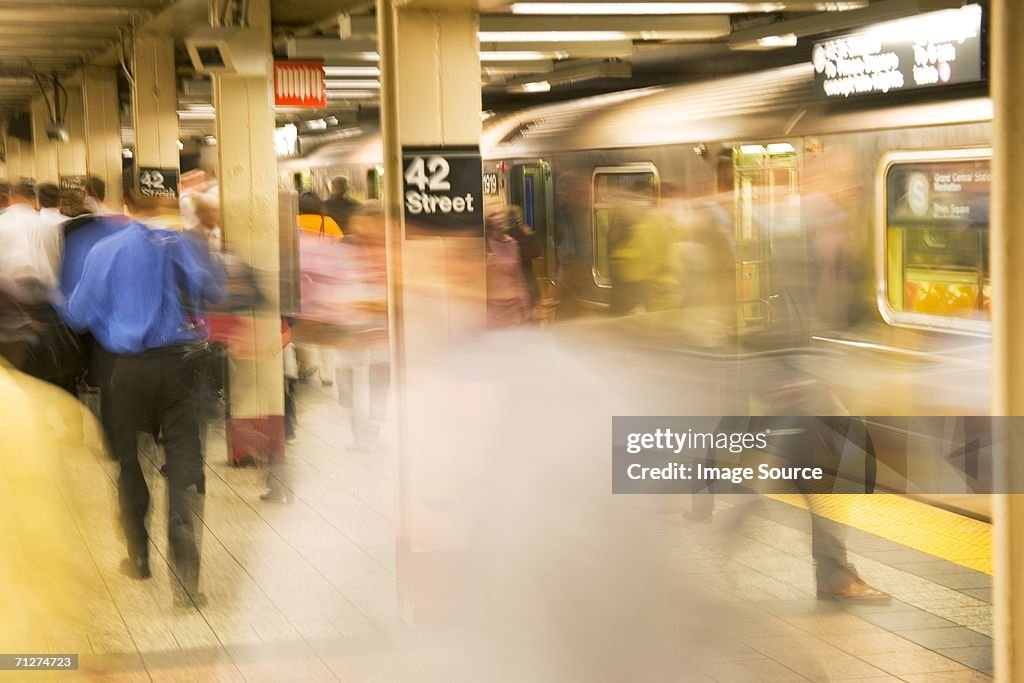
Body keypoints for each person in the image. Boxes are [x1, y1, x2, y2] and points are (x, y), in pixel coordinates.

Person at [65, 188, 224, 607]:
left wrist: (117, 318)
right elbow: (217, 293)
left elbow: (79, 313)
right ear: (169, 204)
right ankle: (187, 585)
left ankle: (138, 557)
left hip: (130, 371)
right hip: (183, 369)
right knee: (185, 465)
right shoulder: (188, 245)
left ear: (129, 206)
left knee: (132, 462)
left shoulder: (106, 249)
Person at [485, 207, 530, 328]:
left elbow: (519, 276)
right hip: (493, 309)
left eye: (500, 214)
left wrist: (525, 304)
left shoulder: (512, 243)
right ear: (488, 222)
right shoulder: (485, 245)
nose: (499, 218)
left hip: (513, 307)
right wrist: (485, 266)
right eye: (494, 215)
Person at [505, 205, 543, 313]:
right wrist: (530, 235)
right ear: (518, 220)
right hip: (526, 283)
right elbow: (536, 251)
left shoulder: (502, 236)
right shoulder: (518, 235)